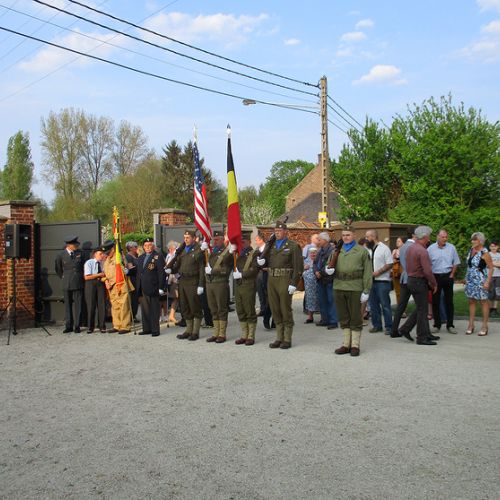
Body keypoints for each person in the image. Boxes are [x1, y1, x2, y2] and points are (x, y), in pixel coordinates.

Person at [257, 222, 303, 349]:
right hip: (271, 279)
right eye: (276, 231)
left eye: (279, 231)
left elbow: (298, 267)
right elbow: (265, 261)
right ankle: (279, 337)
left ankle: (287, 338)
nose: (277, 233)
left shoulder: (293, 246)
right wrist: (261, 261)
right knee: (275, 308)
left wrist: (294, 283)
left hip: (285, 279)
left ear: (285, 232)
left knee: (285, 308)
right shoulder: (271, 246)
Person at [330, 226, 372, 357]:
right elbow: (329, 264)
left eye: (348, 235)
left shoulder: (362, 251)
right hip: (339, 286)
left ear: (354, 235)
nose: (345, 237)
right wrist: (328, 269)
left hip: (355, 286)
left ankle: (355, 345)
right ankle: (345, 344)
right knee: (343, 316)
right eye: (343, 235)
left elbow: (367, 272)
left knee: (355, 316)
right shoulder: (337, 250)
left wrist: (366, 290)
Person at [399, 226, 438, 345]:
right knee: (422, 310)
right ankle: (422, 337)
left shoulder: (411, 248)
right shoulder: (422, 250)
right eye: (428, 236)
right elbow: (427, 271)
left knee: (421, 307)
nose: (429, 238)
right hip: (418, 281)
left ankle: (407, 329)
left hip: (411, 279)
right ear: (425, 237)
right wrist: (434, 283)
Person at [169, 230, 205, 341]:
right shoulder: (183, 250)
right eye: (184, 237)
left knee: (194, 306)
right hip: (183, 281)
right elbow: (178, 265)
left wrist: (201, 284)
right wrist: (171, 270)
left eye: (188, 237)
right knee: (184, 306)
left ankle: (195, 331)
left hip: (193, 281)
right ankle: (188, 330)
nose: (186, 239)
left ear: (194, 238)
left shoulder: (199, 250)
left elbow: (201, 268)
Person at [427, 229, 460, 334]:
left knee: (449, 301)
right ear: (437, 237)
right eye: (442, 237)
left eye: (446, 237)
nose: (445, 239)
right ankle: (437, 324)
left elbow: (456, 262)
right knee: (435, 301)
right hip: (435, 277)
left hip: (447, 276)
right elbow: (427, 264)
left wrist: (452, 274)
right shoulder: (430, 249)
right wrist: (430, 278)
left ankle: (450, 325)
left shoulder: (451, 247)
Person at [203, 230, 234, 343]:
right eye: (213, 240)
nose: (214, 242)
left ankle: (222, 333)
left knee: (221, 308)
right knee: (213, 308)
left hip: (220, 283)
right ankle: (215, 333)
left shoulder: (227, 253)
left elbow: (226, 270)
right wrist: (202, 249)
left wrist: (213, 271)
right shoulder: (210, 252)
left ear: (222, 240)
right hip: (210, 284)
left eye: (217, 240)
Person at [464, 232, 494, 336]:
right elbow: (469, 266)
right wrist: (466, 278)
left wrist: (487, 282)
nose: (472, 241)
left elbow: (491, 268)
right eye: (472, 239)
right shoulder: (471, 250)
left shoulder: (485, 253)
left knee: (483, 302)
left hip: (481, 281)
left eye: (475, 240)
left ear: (480, 241)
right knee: (471, 301)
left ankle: (485, 326)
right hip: (470, 281)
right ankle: (471, 325)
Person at [233, 231, 260, 345]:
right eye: (240, 242)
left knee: (249, 310)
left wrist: (242, 274)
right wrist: (230, 252)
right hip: (238, 285)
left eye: (243, 242)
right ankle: (244, 334)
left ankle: (251, 335)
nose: (242, 244)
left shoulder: (254, 253)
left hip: (248, 284)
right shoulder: (237, 253)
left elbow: (255, 269)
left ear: (249, 241)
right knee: (240, 310)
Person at [365, 229, 393, 334]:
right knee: (373, 305)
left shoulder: (384, 248)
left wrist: (379, 272)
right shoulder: (367, 249)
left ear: (373, 237)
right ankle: (376, 325)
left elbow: (389, 263)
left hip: (382, 280)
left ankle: (389, 326)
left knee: (385, 305)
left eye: (367, 237)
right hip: (371, 281)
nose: (366, 239)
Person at [136, 238, 166, 337]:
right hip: (143, 286)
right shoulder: (141, 257)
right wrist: (128, 271)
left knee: (154, 309)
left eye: (150, 245)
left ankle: (155, 330)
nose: (148, 247)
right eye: (146, 245)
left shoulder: (157, 256)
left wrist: (161, 287)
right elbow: (139, 271)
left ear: (153, 246)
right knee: (145, 309)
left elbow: (161, 273)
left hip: (153, 286)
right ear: (143, 247)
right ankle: (146, 328)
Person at [55, 236, 84, 333]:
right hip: (66, 282)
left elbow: (82, 267)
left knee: (78, 304)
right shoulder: (61, 255)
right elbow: (58, 269)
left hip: (78, 281)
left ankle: (77, 325)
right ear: (69, 245)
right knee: (68, 305)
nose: (76, 245)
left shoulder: (80, 253)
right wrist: (64, 277)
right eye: (74, 244)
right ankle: (69, 325)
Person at [102, 241, 133, 334]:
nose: (107, 254)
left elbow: (124, 270)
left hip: (120, 285)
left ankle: (125, 326)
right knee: (115, 306)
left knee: (123, 306)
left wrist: (121, 254)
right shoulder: (107, 260)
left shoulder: (118, 258)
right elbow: (104, 273)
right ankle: (117, 325)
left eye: (108, 252)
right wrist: (105, 281)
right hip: (111, 287)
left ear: (113, 249)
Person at [391, 230, 415, 337]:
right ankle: (408, 328)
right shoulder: (414, 247)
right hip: (413, 278)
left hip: (404, 278)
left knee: (401, 305)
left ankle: (394, 329)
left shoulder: (403, 248)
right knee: (421, 306)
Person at [313, 232, 338, 329]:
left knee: (331, 300)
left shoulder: (332, 251)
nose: (317, 241)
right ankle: (325, 319)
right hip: (320, 279)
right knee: (322, 300)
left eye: (319, 240)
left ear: (325, 240)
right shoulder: (320, 251)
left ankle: (333, 321)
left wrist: (321, 272)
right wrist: (316, 271)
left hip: (329, 279)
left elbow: (331, 264)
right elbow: (315, 263)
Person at [83, 247, 107, 333]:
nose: (102, 255)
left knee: (102, 305)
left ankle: (102, 326)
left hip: (101, 283)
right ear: (95, 255)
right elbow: (87, 277)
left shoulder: (103, 263)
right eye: (100, 254)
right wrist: (99, 274)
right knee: (91, 305)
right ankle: (90, 327)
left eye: (103, 254)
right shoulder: (89, 262)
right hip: (91, 284)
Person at [303, 246, 319, 324]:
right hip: (309, 286)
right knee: (309, 299)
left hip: (318, 284)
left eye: (314, 252)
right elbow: (301, 270)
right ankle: (310, 317)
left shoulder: (319, 260)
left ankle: (323, 317)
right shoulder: (306, 261)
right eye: (311, 253)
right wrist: (304, 268)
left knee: (320, 299)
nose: (313, 254)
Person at [165, 241, 180, 324]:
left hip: (174, 279)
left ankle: (171, 315)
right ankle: (171, 315)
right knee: (177, 297)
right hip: (173, 279)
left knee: (177, 298)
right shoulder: (170, 256)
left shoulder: (171, 255)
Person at [124, 241, 139, 322]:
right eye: (135, 247)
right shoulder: (129, 257)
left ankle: (134, 314)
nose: (136, 248)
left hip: (137, 279)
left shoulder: (136, 256)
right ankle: (131, 315)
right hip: (132, 279)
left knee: (135, 298)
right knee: (133, 298)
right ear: (130, 248)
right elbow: (130, 268)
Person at [391, 236, 406, 306]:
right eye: (397, 241)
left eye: (399, 241)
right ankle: (399, 306)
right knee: (397, 291)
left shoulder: (406, 250)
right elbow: (391, 261)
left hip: (404, 272)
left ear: (403, 242)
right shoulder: (394, 251)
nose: (397, 242)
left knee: (404, 292)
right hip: (396, 272)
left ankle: (403, 307)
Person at [488, 240, 499, 317]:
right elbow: (486, 264)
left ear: (498, 247)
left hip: (498, 276)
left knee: (498, 292)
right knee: (490, 292)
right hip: (490, 276)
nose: (493, 248)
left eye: (495, 246)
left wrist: (491, 263)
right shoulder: (487, 254)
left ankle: (495, 309)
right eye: (492, 246)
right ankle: (490, 309)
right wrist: (496, 264)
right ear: (489, 247)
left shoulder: (499, 255)